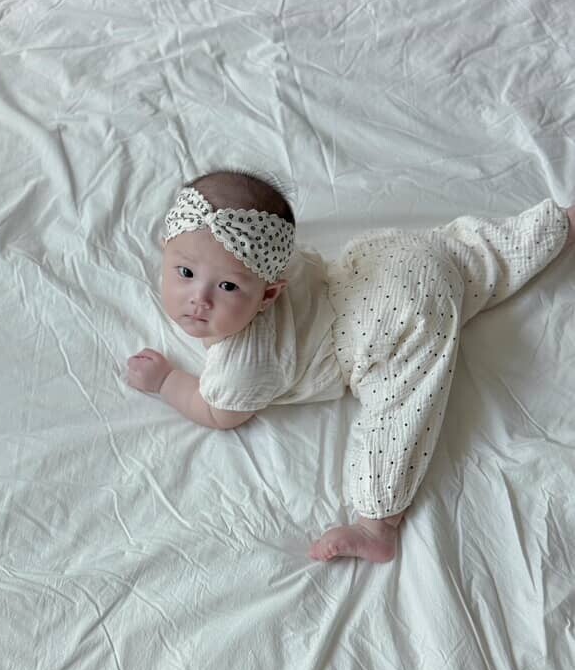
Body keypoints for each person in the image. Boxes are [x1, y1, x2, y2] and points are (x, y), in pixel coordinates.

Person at [127, 170, 574, 564]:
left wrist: (167, 381)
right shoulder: (275, 261)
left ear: (268, 295)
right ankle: (559, 226)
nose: (199, 300)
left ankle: (377, 528)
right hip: (392, 260)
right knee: (478, 256)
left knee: (398, 415)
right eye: (185, 273)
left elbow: (218, 413)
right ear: (166, 250)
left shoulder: (242, 366)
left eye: (226, 286)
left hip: (384, 333)